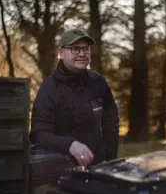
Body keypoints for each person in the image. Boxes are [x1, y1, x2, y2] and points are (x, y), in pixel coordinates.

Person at [30, 28, 119, 167]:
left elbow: (111, 121)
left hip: (99, 167)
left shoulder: (98, 82)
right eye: (75, 49)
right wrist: (70, 145)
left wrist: (109, 157)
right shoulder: (49, 89)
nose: (82, 53)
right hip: (62, 171)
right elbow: (39, 134)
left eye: (86, 49)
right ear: (61, 53)